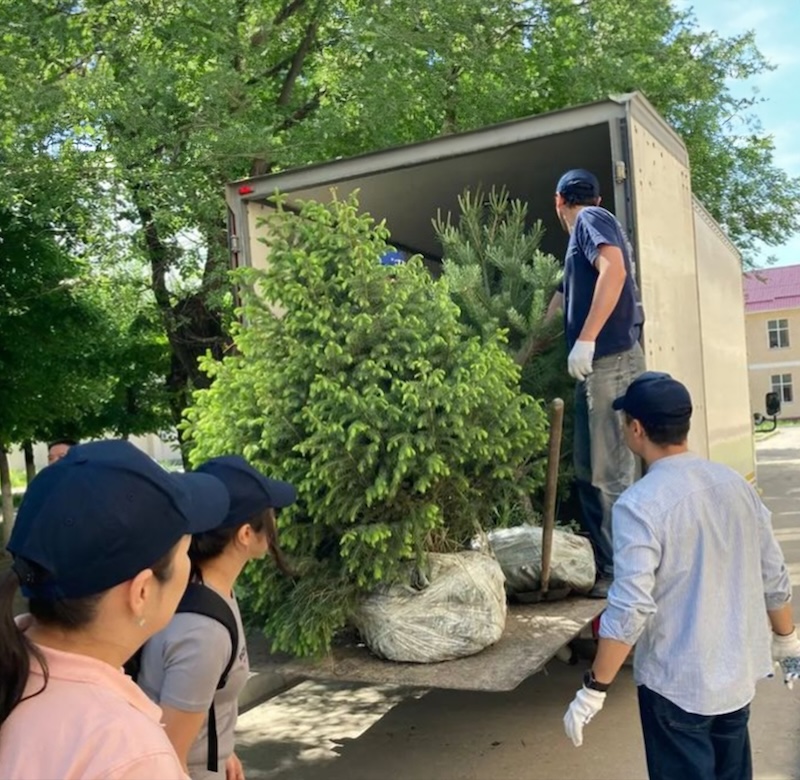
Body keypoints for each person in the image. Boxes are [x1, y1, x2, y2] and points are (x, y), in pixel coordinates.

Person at [562, 372, 800, 780]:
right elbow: (773, 575)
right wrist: (787, 639)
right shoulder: (735, 485)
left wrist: (594, 688)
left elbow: (631, 606)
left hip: (676, 688)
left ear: (636, 429)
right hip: (735, 682)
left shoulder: (639, 505)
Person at [0, 439, 230, 780]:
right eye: (184, 552)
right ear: (142, 592)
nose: (190, 564)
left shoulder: (16, 672)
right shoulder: (131, 755)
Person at [136, 455, 297, 780]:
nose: (275, 523)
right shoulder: (202, 632)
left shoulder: (206, 587)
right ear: (245, 534)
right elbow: (168, 758)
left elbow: (204, 695)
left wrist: (222, 747)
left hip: (207, 761)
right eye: (271, 514)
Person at [547, 168, 646, 597]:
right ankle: (611, 567)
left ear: (558, 201)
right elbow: (562, 297)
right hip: (595, 368)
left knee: (610, 475)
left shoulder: (590, 220)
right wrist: (528, 347)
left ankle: (626, 575)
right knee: (590, 473)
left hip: (610, 361)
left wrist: (586, 339)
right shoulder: (579, 243)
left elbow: (614, 271)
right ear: (599, 197)